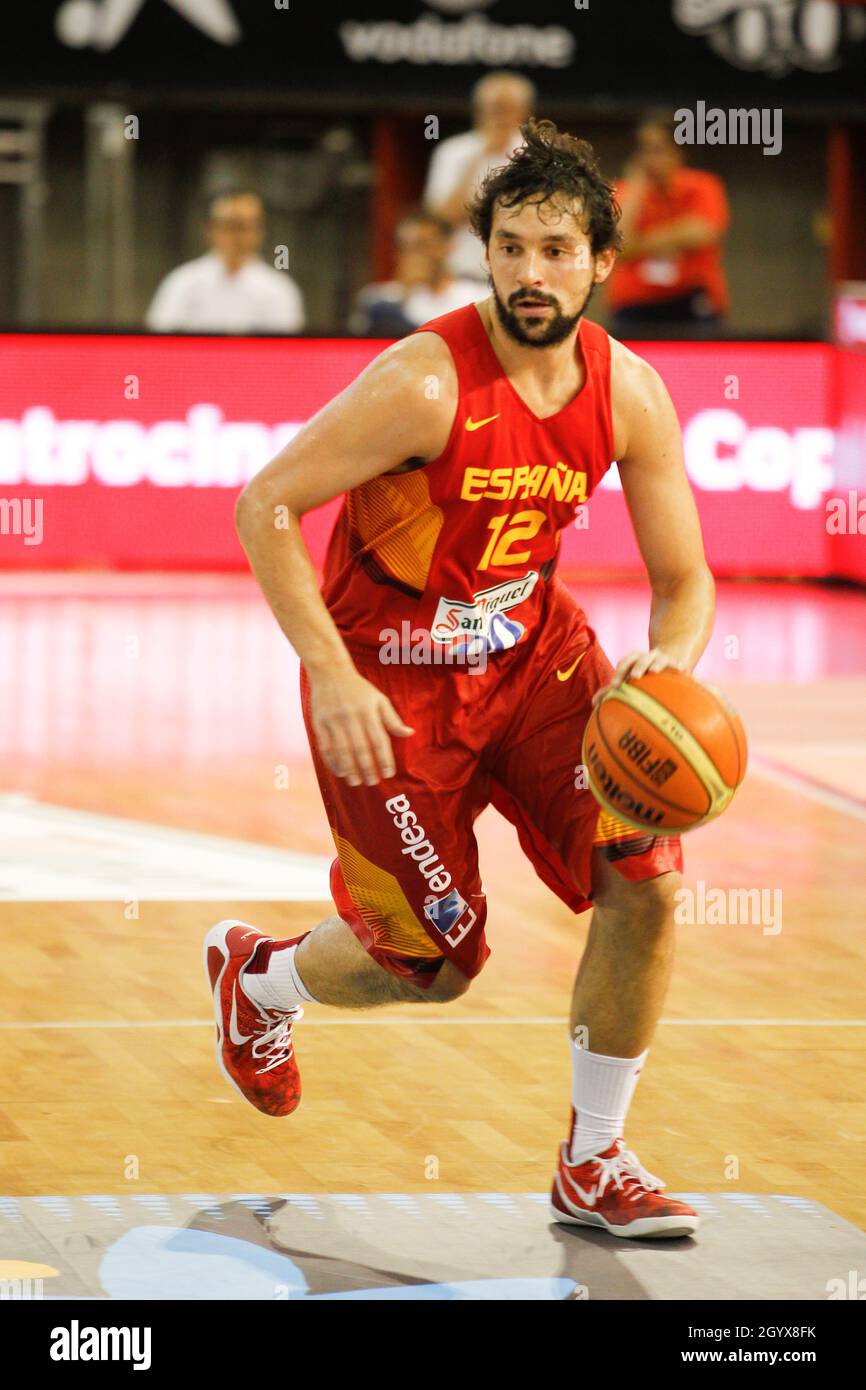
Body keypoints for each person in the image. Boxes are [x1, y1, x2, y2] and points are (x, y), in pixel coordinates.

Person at [205, 119, 715, 1240]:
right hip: (391, 680)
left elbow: (684, 580)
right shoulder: (424, 383)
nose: (532, 273)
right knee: (430, 965)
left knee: (648, 873)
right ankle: (260, 980)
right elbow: (264, 504)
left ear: (599, 264)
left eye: (556, 250)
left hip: (534, 656)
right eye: (512, 248)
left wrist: (667, 663)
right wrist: (329, 673)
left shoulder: (627, 393)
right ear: (483, 255)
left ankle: (593, 1158)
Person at [608, 111, 729, 339]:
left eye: (658, 149)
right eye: (643, 150)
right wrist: (636, 191)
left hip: (691, 299)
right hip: (635, 304)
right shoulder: (626, 192)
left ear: (678, 152)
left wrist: (638, 245)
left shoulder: (702, 186)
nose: (649, 159)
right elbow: (617, 243)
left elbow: (702, 232)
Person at [423, 70, 535, 285]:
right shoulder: (453, 151)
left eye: (506, 108)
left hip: (519, 277)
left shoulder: (535, 154)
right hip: (462, 275)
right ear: (478, 110)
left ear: (524, 111)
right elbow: (439, 220)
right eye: (493, 108)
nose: (499, 116)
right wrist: (481, 156)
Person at [145, 190, 305, 334]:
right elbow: (159, 342)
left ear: (260, 232)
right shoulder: (182, 283)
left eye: (245, 227)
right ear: (211, 229)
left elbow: (288, 352)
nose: (237, 236)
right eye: (230, 226)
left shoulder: (279, 289)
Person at [349, 211, 481, 338]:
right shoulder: (378, 299)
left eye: (423, 245)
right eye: (405, 246)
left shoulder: (476, 297)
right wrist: (406, 291)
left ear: (447, 246)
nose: (414, 254)